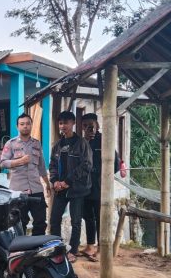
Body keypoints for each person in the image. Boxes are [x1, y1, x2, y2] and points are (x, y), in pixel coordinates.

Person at [49, 111, 92, 263]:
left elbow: (86, 165)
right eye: (61, 123)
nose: (63, 126)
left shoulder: (82, 143)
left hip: (77, 189)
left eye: (66, 123)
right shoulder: (58, 145)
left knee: (76, 221)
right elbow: (52, 165)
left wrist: (67, 181)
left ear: (73, 123)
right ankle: (57, 249)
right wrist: (54, 181)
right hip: (60, 189)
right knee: (54, 220)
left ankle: (73, 250)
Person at [0, 113, 52, 235]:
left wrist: (47, 184)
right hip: (18, 191)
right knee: (19, 222)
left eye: (28, 124)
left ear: (31, 125)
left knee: (40, 222)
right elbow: (3, 163)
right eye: (22, 124)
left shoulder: (36, 143)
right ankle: (21, 250)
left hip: (36, 189)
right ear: (17, 126)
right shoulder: (11, 143)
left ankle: (36, 249)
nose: (25, 126)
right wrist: (19, 161)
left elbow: (42, 166)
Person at [81, 113, 120, 261]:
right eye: (85, 126)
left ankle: (101, 249)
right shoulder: (81, 142)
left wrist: (101, 175)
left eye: (91, 125)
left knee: (100, 217)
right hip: (84, 187)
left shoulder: (105, 140)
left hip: (99, 187)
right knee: (87, 217)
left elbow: (115, 164)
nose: (88, 128)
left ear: (97, 125)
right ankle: (90, 245)